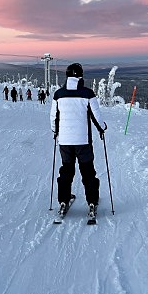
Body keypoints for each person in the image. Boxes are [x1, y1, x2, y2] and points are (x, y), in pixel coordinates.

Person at [50, 63, 106, 218]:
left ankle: (63, 200)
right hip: (83, 140)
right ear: (81, 76)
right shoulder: (88, 93)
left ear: (67, 76)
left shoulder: (58, 94)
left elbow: (54, 117)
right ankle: (92, 202)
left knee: (66, 170)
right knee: (87, 171)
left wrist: (55, 131)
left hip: (65, 141)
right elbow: (96, 116)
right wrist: (102, 128)